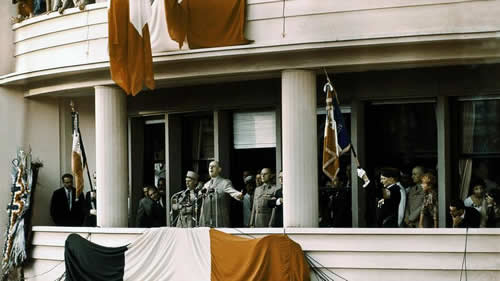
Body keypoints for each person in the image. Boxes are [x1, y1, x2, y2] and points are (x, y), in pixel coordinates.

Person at [199, 161, 243, 227]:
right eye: (209, 166)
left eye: (213, 166)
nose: (211, 168)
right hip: (206, 220)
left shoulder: (224, 182)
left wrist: (239, 195)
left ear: (219, 169)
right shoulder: (206, 185)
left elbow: (232, 192)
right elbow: (201, 200)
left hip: (219, 220)